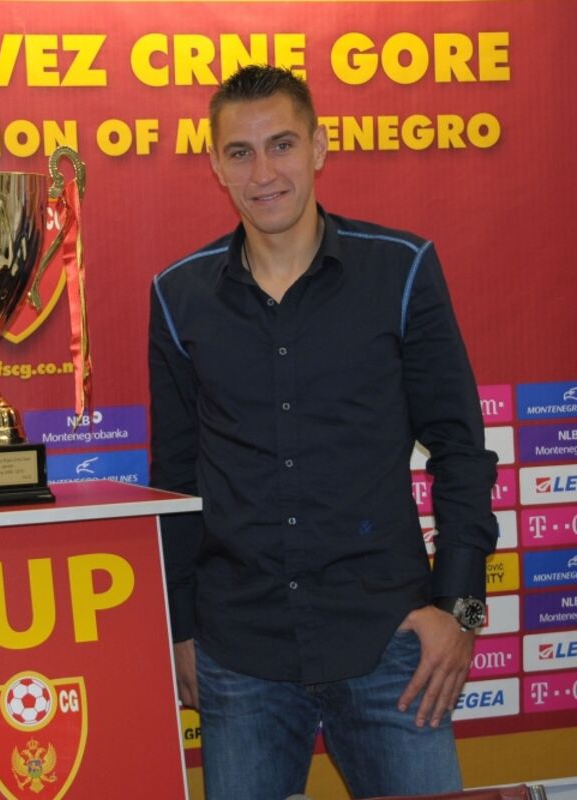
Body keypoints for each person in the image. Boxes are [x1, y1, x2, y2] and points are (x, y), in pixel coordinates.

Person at [148, 65, 497, 799]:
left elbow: (462, 450)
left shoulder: (401, 270)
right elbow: (175, 478)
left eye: (281, 144)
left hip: (392, 645)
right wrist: (179, 629)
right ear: (215, 164)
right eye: (240, 152)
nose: (263, 172)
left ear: (319, 147)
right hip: (239, 657)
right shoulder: (178, 295)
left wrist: (459, 611)